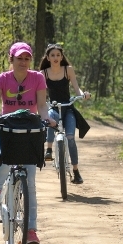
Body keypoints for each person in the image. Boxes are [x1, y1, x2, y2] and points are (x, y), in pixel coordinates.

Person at [0, 42, 54, 244]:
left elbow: (41, 105)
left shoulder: (37, 78)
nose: (23, 62)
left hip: (30, 129)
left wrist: (47, 119)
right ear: (11, 59)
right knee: (5, 158)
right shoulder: (2, 79)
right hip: (8, 126)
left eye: (27, 58)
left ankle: (31, 231)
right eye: (19, 58)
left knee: (30, 183)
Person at [39, 43, 91, 184]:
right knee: (49, 119)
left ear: (62, 57)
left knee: (70, 137)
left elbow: (76, 88)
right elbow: (39, 92)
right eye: (52, 55)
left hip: (68, 107)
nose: (55, 58)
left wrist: (83, 94)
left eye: (58, 55)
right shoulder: (43, 74)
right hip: (53, 107)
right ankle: (49, 150)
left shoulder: (68, 70)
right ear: (48, 58)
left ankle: (75, 170)